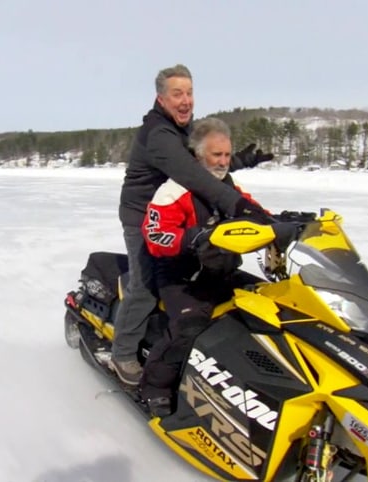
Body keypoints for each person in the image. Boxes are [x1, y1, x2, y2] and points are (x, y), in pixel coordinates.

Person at [110, 64, 274, 386]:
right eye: (177, 94)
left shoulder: (182, 129)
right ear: (161, 98)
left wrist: (236, 161)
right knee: (144, 286)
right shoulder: (159, 134)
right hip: (143, 215)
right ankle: (123, 352)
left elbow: (199, 162)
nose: (185, 100)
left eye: (189, 92)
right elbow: (191, 173)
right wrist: (235, 203)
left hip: (179, 212)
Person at [138, 117, 277, 416]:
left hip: (219, 271)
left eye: (227, 155)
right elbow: (155, 236)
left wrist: (283, 223)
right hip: (182, 275)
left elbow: (253, 211)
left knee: (270, 306)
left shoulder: (226, 186)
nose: (224, 161)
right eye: (217, 155)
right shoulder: (174, 190)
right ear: (199, 155)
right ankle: (155, 388)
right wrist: (194, 237)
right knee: (189, 326)